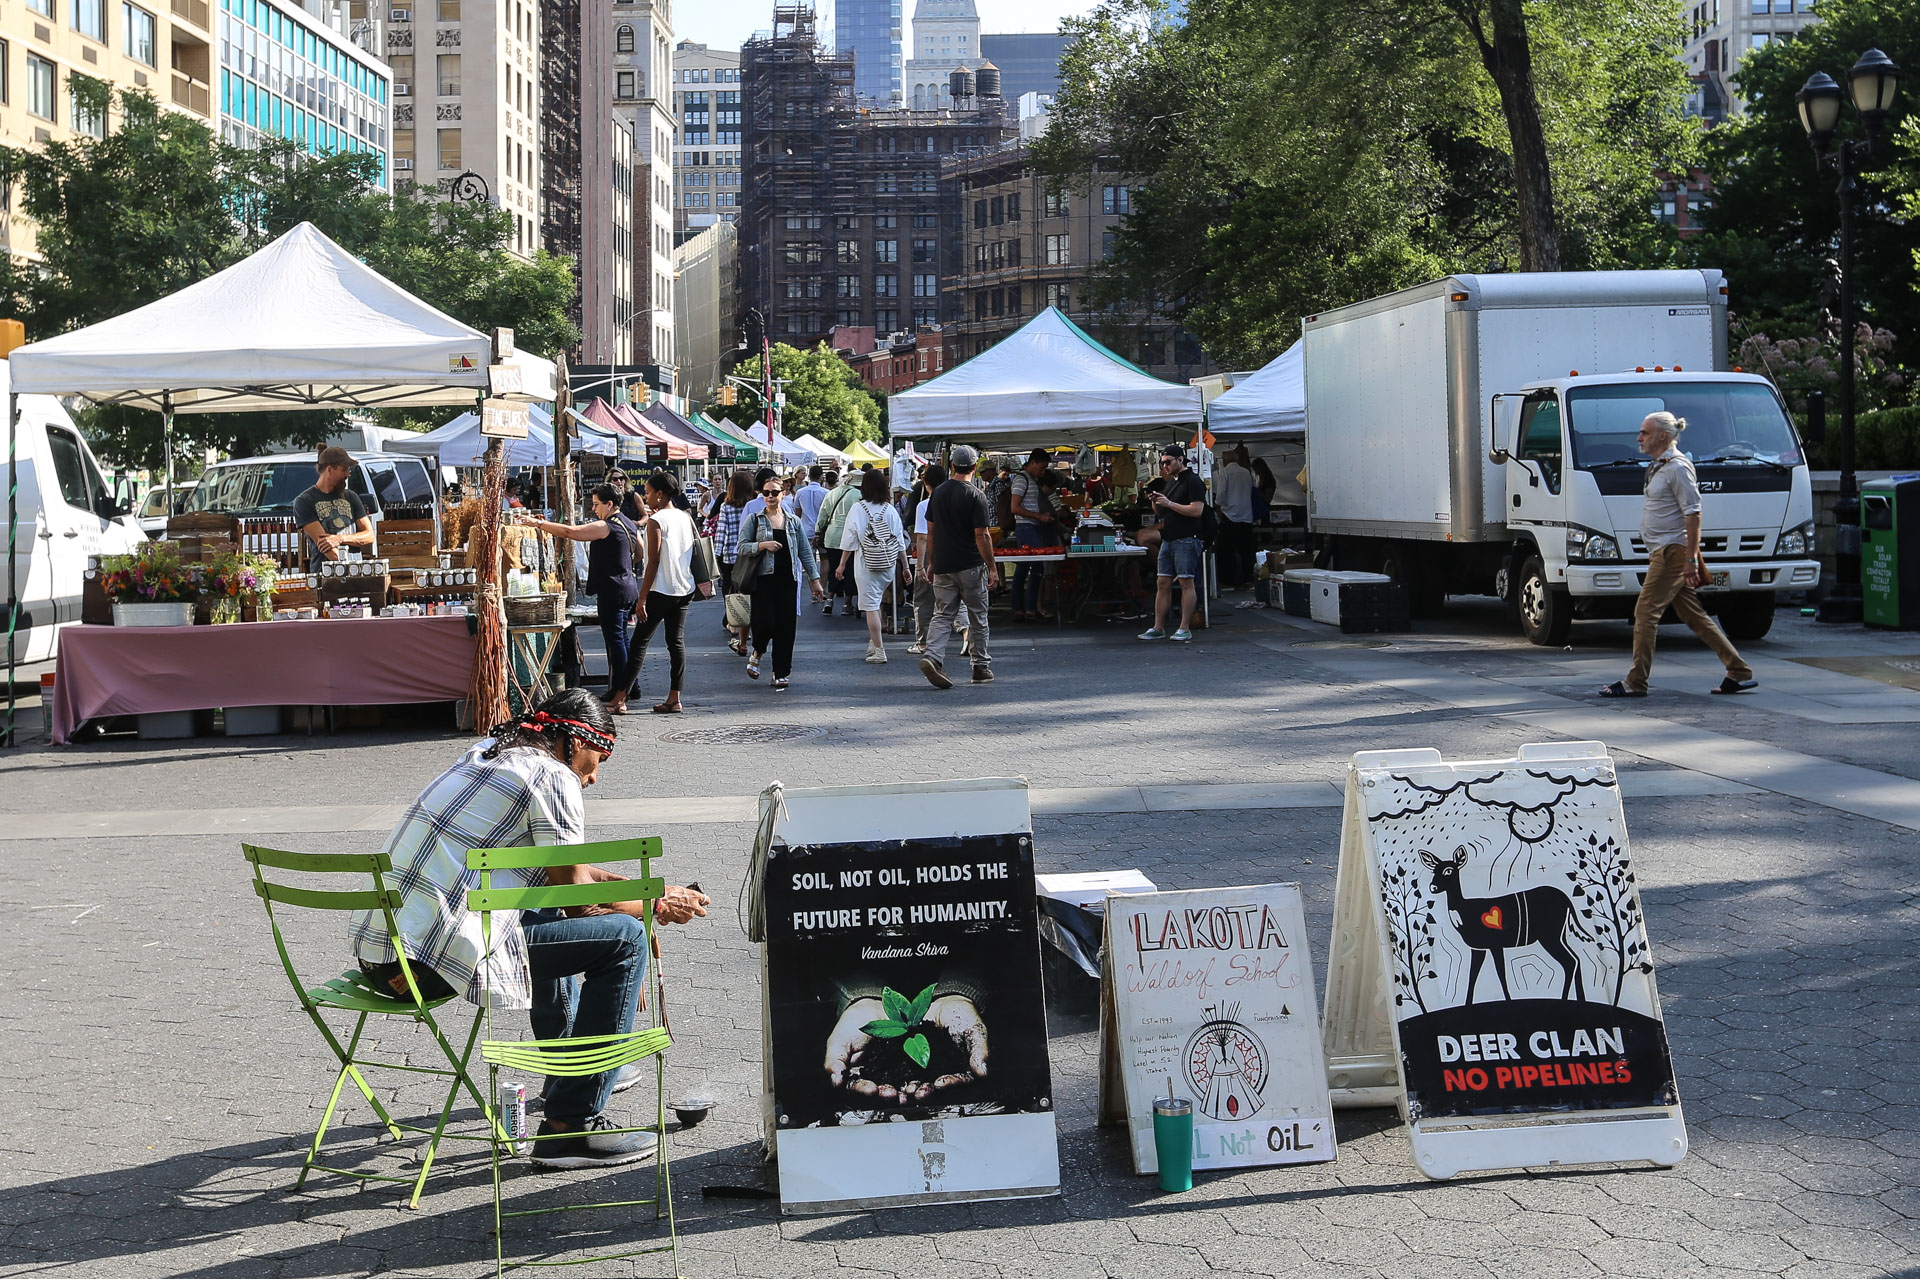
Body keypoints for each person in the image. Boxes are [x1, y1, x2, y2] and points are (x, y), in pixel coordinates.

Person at [347, 688, 712, 1169]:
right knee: (625, 942)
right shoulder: (553, 776)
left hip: (383, 960)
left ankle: (567, 1070)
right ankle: (569, 1127)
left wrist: (649, 894)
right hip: (429, 964)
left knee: (542, 909)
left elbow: (562, 875)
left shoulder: (484, 756)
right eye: (595, 758)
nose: (595, 775)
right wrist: (652, 908)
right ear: (569, 740)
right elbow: (576, 897)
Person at [1599, 412, 1758, 698]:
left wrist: (1690, 558)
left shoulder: (1678, 467)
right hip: (1665, 550)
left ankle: (1636, 681)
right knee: (1694, 616)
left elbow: (1693, 512)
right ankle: (1739, 671)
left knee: (1645, 612)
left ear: (1662, 435)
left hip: (1672, 552)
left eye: (1644, 433)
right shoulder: (1661, 466)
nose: (1639, 438)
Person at [516, 487, 641, 714]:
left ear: (610, 504)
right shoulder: (628, 523)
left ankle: (622, 693)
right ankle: (624, 689)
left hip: (613, 589)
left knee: (617, 642)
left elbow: (570, 531)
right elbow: (640, 551)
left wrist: (538, 524)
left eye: (596, 504)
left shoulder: (607, 526)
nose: (593, 509)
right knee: (622, 640)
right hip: (627, 586)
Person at [919, 445, 999, 689]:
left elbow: (930, 532)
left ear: (951, 466)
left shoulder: (938, 494)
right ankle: (980, 667)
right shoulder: (976, 495)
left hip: (943, 563)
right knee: (977, 615)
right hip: (971, 565)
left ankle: (933, 656)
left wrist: (932, 562)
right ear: (974, 467)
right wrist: (992, 567)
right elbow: (982, 535)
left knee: (942, 614)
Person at [738, 467, 825, 690]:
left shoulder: (793, 521)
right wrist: (761, 545)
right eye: (766, 492)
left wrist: (814, 580)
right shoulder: (754, 519)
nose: (770, 496)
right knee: (764, 623)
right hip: (763, 580)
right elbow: (741, 547)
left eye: (774, 492)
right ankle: (757, 651)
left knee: (786, 627)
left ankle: (781, 671)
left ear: (783, 493)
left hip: (788, 580)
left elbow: (805, 551)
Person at [624, 473, 699, 714]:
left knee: (639, 644)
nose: (645, 497)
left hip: (661, 589)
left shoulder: (657, 521)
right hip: (684, 587)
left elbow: (653, 561)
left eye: (647, 492)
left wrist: (642, 597)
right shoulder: (684, 517)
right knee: (675, 643)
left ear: (660, 493)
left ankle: (619, 698)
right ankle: (674, 697)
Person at [838, 469, 912, 663]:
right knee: (876, 602)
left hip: (866, 564)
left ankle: (879, 650)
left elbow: (849, 540)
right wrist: (905, 567)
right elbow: (899, 540)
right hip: (887, 564)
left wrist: (841, 564)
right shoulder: (890, 509)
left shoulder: (858, 508)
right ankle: (874, 641)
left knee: (870, 606)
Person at [1139, 444, 1207, 642]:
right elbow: (1162, 513)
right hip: (1169, 538)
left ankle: (1184, 627)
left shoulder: (1193, 481)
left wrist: (1168, 503)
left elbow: (1196, 511)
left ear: (1180, 459)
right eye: (1162, 463)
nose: (1165, 466)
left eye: (1168, 462)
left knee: (1186, 581)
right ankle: (1158, 627)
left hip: (1187, 538)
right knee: (1162, 582)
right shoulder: (1172, 482)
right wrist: (1155, 500)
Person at [294, 446, 377, 571]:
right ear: (330, 469)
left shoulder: (351, 496)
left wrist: (340, 538)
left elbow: (369, 535)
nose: (348, 474)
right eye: (344, 469)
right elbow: (326, 546)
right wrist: (351, 568)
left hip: (354, 570)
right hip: (325, 573)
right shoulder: (304, 501)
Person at [1008, 448, 1057, 622]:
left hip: (1030, 527)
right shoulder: (1021, 480)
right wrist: (1039, 516)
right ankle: (1028, 609)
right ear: (1033, 462)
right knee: (1034, 567)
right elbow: (1015, 508)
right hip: (1026, 527)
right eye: (1042, 468)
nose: (1042, 472)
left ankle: (1022, 609)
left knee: (1025, 568)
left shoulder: (1030, 479)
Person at [906, 464, 947, 656]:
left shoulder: (924, 505)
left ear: (925, 483)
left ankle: (923, 642)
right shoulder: (955, 501)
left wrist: (920, 567)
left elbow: (921, 537)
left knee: (923, 599)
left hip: (931, 553)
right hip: (954, 553)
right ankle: (966, 634)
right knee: (959, 597)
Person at [715, 470, 756, 655]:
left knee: (732, 591)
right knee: (750, 589)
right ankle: (747, 624)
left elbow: (721, 532)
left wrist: (716, 556)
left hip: (730, 555)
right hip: (750, 554)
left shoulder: (726, 506)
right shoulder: (754, 505)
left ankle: (734, 623)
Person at [817, 468, 863, 618]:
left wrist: (818, 532)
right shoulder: (859, 495)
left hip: (832, 536)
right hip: (850, 537)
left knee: (833, 569)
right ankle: (846, 604)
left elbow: (823, 515)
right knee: (849, 571)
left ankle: (829, 600)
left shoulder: (832, 493)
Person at [1213, 445, 1257, 589]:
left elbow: (1220, 495)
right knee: (1246, 549)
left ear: (1224, 461)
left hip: (1229, 515)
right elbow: (1252, 488)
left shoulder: (1225, 473)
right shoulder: (1246, 472)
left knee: (1227, 550)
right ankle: (1247, 577)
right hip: (1246, 515)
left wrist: (1220, 507)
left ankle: (1228, 579)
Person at [795, 464, 830, 545]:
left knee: (809, 556)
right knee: (824, 556)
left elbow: (797, 513)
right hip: (822, 531)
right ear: (821, 477)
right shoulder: (826, 493)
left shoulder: (800, 492)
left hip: (805, 530)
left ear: (809, 476)